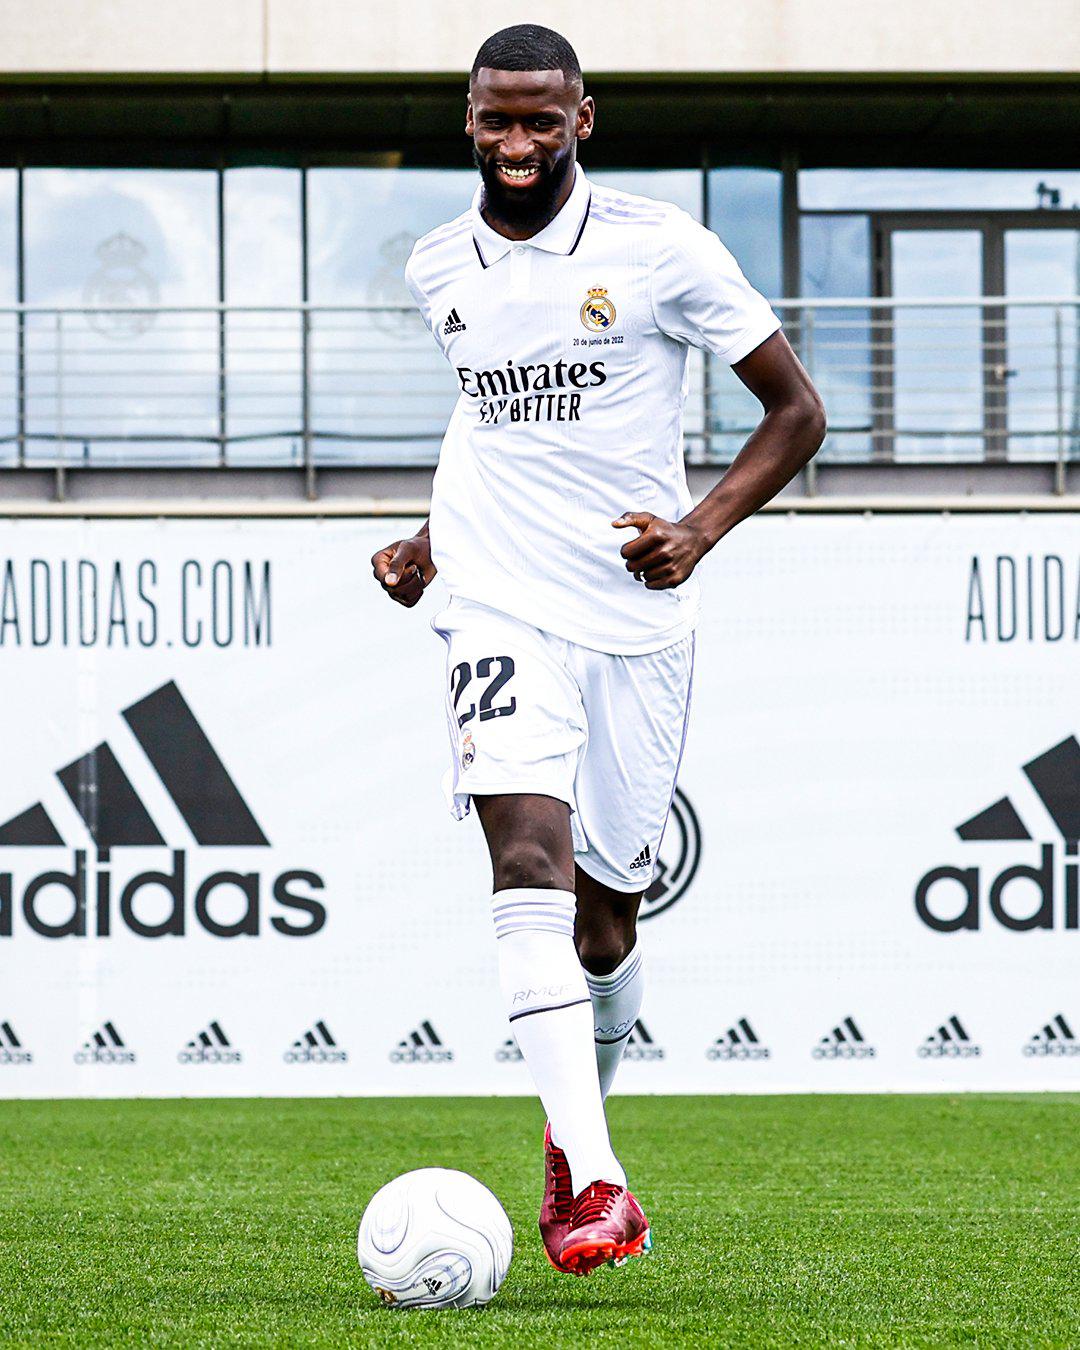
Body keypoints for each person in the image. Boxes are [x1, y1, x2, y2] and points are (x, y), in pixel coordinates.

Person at [372, 23, 825, 1277]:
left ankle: (579, 1131)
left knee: (606, 926)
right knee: (527, 856)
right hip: (495, 602)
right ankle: (595, 1175)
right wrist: (431, 542)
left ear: (583, 118)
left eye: (540, 118)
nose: (516, 142)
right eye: (496, 119)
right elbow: (490, 421)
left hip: (634, 618)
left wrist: (699, 529)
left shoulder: (662, 248)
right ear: (468, 121)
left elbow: (798, 411)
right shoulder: (435, 264)